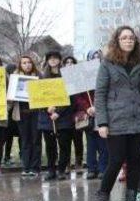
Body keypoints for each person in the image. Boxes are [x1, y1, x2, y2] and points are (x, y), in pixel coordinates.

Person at [94, 26, 140, 201]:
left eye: (131, 38)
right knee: (115, 161)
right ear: (117, 41)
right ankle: (102, 200)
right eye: (124, 38)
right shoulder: (107, 63)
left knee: (135, 162)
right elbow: (100, 94)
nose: (129, 40)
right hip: (116, 121)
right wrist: (102, 123)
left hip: (138, 120)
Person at [38, 51, 74, 181]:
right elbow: (38, 97)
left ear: (59, 60)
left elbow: (70, 97)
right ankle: (51, 170)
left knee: (64, 145)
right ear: (47, 61)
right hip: (47, 118)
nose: (53, 61)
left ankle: (61, 170)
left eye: (55, 58)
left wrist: (58, 112)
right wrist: (47, 109)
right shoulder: (42, 77)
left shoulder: (66, 76)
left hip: (63, 117)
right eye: (50, 59)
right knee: (50, 146)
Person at [74, 50, 108, 180]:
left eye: (97, 58)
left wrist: (97, 106)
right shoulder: (83, 76)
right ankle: (91, 168)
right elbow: (79, 96)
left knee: (103, 142)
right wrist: (87, 107)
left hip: (102, 112)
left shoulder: (105, 73)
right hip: (89, 113)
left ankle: (103, 168)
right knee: (91, 143)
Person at [11, 55, 42, 177]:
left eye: (29, 62)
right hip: (22, 114)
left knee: (36, 140)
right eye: (24, 63)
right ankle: (26, 167)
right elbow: (11, 98)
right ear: (20, 65)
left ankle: (35, 167)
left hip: (36, 113)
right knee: (24, 140)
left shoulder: (39, 77)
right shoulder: (15, 78)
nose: (27, 65)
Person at [63, 56, 85, 173]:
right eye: (67, 62)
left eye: (72, 62)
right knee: (65, 141)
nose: (69, 64)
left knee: (78, 140)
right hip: (64, 114)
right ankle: (66, 163)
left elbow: (82, 97)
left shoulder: (79, 78)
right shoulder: (61, 78)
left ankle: (78, 163)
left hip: (77, 113)